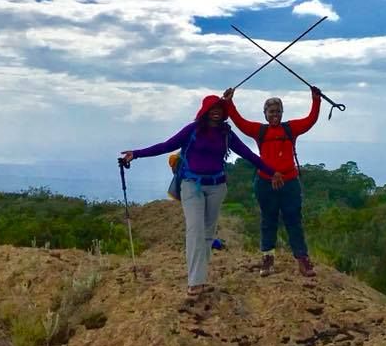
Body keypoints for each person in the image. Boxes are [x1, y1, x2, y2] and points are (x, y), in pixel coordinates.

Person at [120, 95, 283, 297]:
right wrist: (136, 154)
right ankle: (195, 282)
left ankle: (199, 276)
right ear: (205, 110)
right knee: (195, 230)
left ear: (224, 112)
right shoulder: (193, 129)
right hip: (191, 185)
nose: (216, 111)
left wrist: (271, 171)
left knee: (207, 234)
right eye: (212, 108)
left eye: (220, 109)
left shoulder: (226, 133)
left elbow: (248, 155)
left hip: (217, 186)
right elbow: (166, 146)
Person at [222, 85, 321, 278]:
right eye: (271, 111)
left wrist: (316, 100)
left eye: (277, 111)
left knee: (294, 221)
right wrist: (229, 102)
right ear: (265, 114)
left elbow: (310, 121)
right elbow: (239, 122)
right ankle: (267, 259)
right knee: (268, 221)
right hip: (265, 183)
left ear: (282, 113)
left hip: (289, 182)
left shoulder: (290, 128)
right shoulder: (259, 131)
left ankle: (302, 260)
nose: (274, 114)